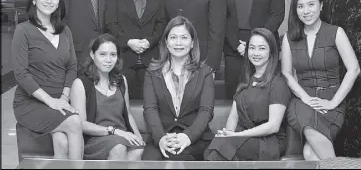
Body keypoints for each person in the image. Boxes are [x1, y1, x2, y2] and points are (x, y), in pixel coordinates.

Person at [281, 0, 360, 160]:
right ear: (295, 10)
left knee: (310, 153)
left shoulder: (336, 32)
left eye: (311, 4)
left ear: (321, 5)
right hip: (302, 100)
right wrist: (305, 98)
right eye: (300, 6)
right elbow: (286, 73)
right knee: (308, 126)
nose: (306, 11)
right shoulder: (289, 38)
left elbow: (354, 69)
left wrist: (333, 103)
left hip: (332, 99)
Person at [11, 0, 83, 159]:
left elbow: (72, 67)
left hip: (59, 101)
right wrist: (51, 102)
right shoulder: (23, 30)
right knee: (74, 122)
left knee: (62, 142)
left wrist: (64, 97)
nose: (49, 0)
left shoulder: (65, 31)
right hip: (31, 104)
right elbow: (21, 73)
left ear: (59, 1)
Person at [204, 28, 291, 161]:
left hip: (268, 142)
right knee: (215, 147)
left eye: (262, 48)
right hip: (242, 139)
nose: (256, 53)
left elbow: (273, 125)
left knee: (216, 153)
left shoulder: (278, 82)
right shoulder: (245, 79)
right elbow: (233, 117)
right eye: (252, 48)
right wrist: (229, 134)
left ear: (271, 52)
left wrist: (239, 136)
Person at [142, 16, 215, 161]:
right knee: (149, 161)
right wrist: (161, 138)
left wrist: (187, 136)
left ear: (192, 42)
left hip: (195, 139)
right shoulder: (152, 72)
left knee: (178, 158)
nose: (178, 43)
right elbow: (150, 109)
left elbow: (206, 111)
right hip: (162, 136)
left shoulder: (204, 72)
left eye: (184, 38)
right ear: (166, 42)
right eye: (173, 37)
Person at [221, 0, 285, 99]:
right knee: (235, 94)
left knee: (264, 94)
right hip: (234, 46)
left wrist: (254, 42)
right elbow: (222, 16)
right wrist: (237, 45)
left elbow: (277, 14)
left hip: (264, 43)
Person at [70, 33, 145, 160]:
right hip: (95, 139)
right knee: (119, 148)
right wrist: (113, 131)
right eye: (103, 54)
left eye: (113, 55)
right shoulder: (80, 84)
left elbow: (129, 114)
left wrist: (138, 136)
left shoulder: (121, 80)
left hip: (122, 135)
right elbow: (81, 124)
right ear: (92, 55)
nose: (108, 60)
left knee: (137, 150)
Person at [105, 0, 166, 100]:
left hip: (152, 59)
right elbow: (110, 23)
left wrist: (149, 41)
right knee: (123, 104)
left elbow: (161, 22)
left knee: (153, 103)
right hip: (123, 59)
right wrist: (128, 42)